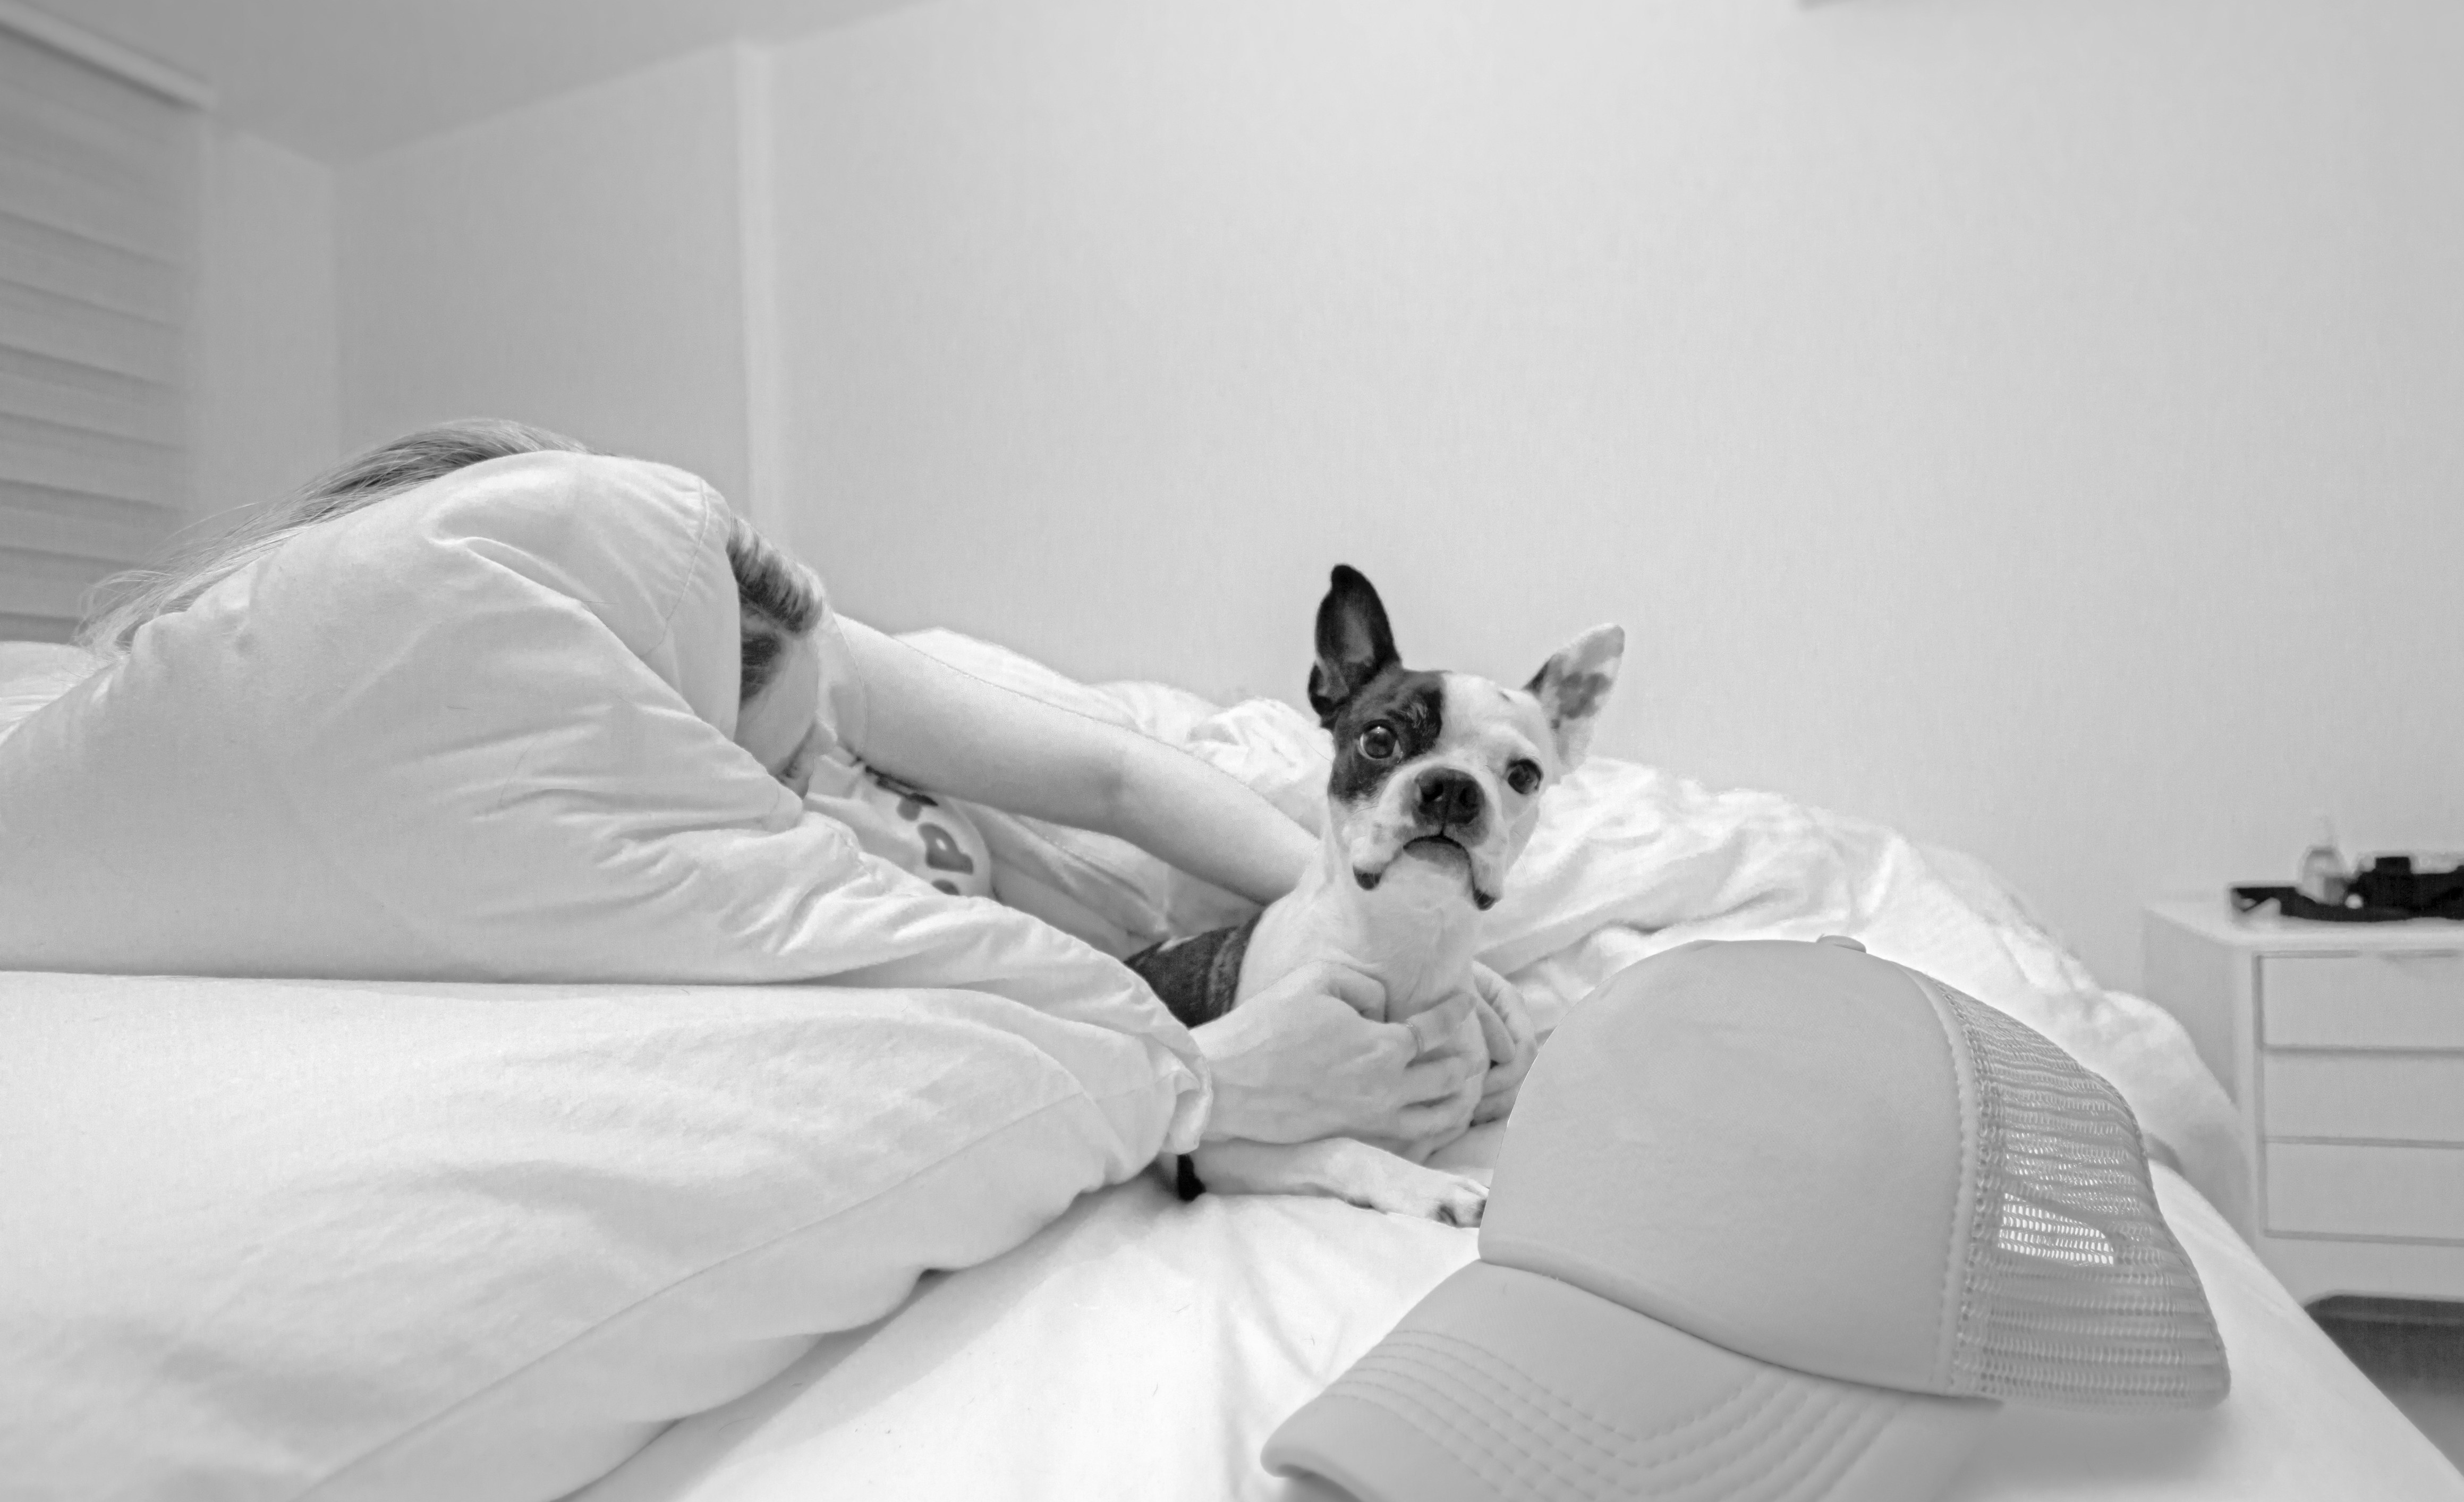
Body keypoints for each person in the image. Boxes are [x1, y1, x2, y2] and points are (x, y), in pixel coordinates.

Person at [81, 420, 1521, 1153]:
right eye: (785, 772)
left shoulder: (778, 644)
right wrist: (1216, 1088)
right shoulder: (634, 876)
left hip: (1134, 903)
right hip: (1124, 980)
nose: (835, 771)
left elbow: (1107, 772)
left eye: (825, 722)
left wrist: (1371, 911)